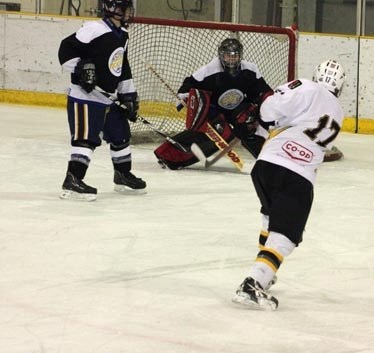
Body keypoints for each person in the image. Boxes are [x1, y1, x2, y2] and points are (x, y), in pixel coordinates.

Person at [232, 60, 346, 310]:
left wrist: (263, 120)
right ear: (340, 86)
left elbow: (269, 110)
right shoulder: (338, 112)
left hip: (266, 164)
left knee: (270, 217)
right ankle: (254, 282)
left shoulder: (305, 86)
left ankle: (265, 271)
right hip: (298, 173)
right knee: (286, 235)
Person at [58, 0, 146, 201]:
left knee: (120, 135)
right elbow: (66, 50)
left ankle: (122, 175)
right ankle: (73, 180)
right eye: (125, 9)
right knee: (86, 138)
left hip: (109, 97)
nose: (128, 13)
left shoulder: (122, 34)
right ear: (113, 9)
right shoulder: (94, 29)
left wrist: (128, 96)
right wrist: (81, 69)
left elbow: (122, 67)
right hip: (85, 97)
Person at [154, 37, 274, 170]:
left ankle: (267, 160)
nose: (231, 59)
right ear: (221, 55)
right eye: (228, 56)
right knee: (220, 133)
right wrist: (186, 97)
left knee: (248, 122)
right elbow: (188, 85)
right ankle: (168, 155)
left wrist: (268, 102)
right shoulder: (209, 70)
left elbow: (263, 90)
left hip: (237, 108)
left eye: (235, 56)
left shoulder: (250, 69)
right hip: (214, 110)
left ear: (240, 56)